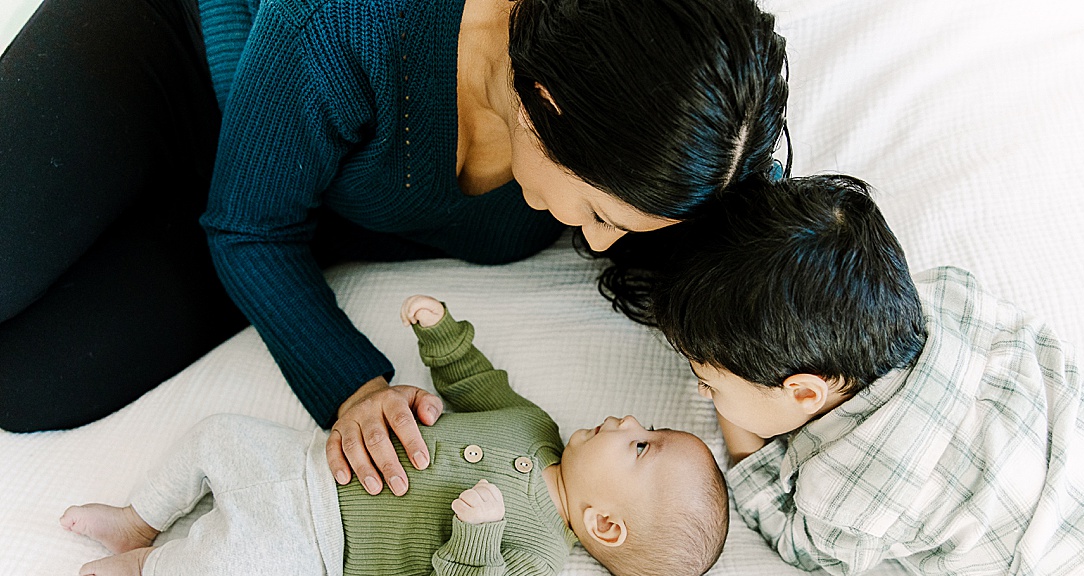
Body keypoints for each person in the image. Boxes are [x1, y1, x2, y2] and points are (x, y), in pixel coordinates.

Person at [0, 0, 790, 499]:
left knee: (26, 382)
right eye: (594, 212)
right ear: (542, 105)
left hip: (291, 200)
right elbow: (248, 228)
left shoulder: (652, 121)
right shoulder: (351, 19)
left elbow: (742, 235)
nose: (597, 242)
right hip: (172, 60)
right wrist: (353, 388)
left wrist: (760, 388)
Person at [649, 173, 1084, 576]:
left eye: (708, 381)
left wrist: (747, 443)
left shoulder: (851, 490)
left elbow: (799, 542)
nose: (702, 394)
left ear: (803, 394)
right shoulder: (949, 295)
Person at [59, 295, 730, 576]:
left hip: (320, 553)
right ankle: (137, 516)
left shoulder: (540, 553)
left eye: (642, 445)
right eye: (648, 425)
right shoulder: (535, 426)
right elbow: (473, 381)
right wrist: (441, 332)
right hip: (311, 460)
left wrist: (478, 534)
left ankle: (146, 569)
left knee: (218, 567)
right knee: (214, 435)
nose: (626, 422)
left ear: (604, 525)